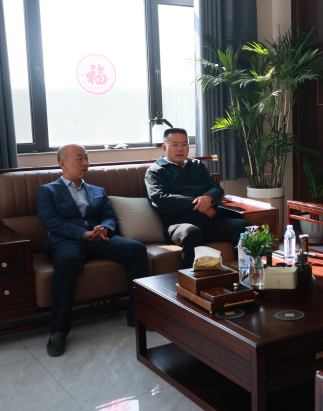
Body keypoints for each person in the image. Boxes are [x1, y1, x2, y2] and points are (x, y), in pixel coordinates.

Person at [37, 144, 149, 357]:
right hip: (67, 241)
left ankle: (138, 316)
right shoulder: (47, 190)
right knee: (67, 261)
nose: (85, 163)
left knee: (136, 249)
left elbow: (109, 216)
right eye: (79, 158)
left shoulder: (98, 190)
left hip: (99, 238)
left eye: (87, 158)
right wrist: (83, 234)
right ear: (62, 164)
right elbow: (50, 221)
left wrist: (104, 229)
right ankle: (58, 330)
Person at [145, 128, 251, 270]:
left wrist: (208, 197)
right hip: (179, 224)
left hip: (210, 222)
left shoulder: (197, 165)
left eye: (184, 144)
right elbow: (160, 199)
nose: (180, 149)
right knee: (192, 232)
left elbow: (217, 188)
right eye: (174, 145)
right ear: (164, 147)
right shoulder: (155, 171)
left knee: (244, 227)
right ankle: (194, 281)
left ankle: (246, 273)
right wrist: (201, 205)